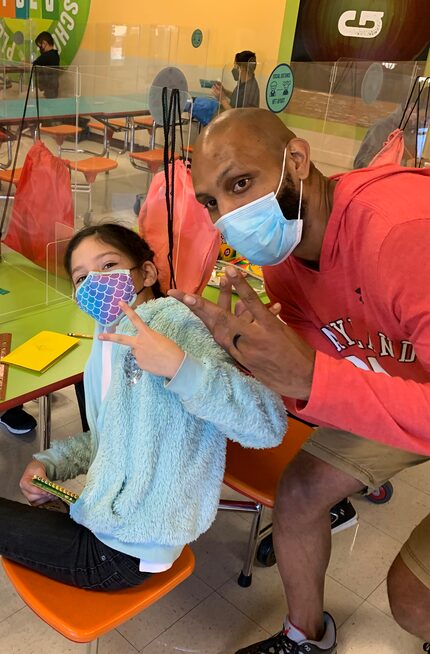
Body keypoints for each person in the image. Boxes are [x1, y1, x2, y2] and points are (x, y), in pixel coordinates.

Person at [168, 108, 430, 652]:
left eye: (242, 183)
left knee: (414, 601)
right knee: (303, 490)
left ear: (297, 160)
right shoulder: (283, 258)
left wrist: (311, 378)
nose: (229, 215)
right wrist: (245, 365)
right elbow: (317, 368)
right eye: (213, 202)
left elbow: (321, 379)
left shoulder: (403, 233)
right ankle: (305, 636)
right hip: (402, 383)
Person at [0, 223, 286, 590]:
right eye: (82, 277)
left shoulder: (178, 324)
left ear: (147, 272)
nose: (95, 282)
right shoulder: (108, 341)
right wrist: (50, 463)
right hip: (112, 521)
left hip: (125, 551)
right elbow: (112, 435)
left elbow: (267, 425)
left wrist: (182, 367)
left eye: (107, 266)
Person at [33, 31, 60, 99]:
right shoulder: (55, 55)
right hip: (53, 90)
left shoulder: (46, 56)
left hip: (46, 91)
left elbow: (34, 65)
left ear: (44, 43)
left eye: (40, 45)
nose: (40, 48)